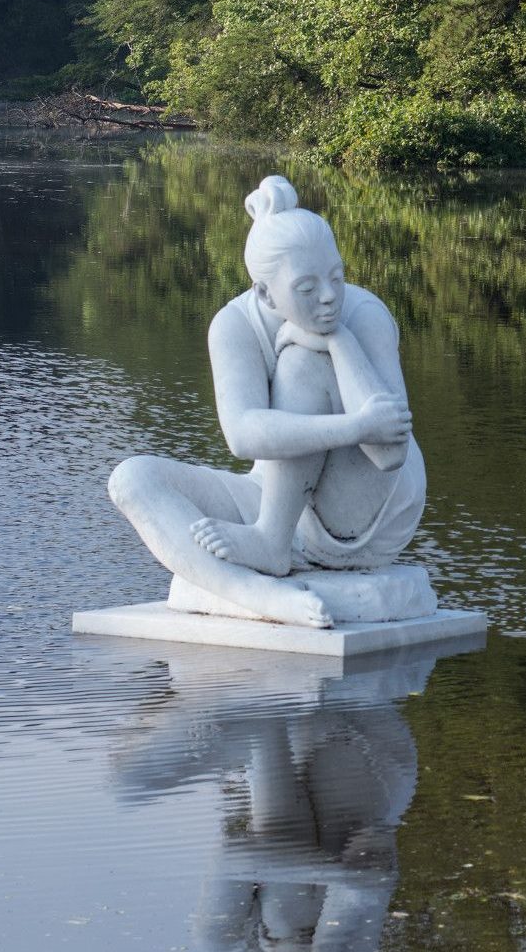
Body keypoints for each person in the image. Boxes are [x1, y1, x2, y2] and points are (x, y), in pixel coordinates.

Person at [108, 175, 425, 628]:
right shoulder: (235, 324)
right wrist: (356, 425)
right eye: (307, 287)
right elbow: (242, 435)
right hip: (278, 502)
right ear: (264, 292)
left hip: (366, 512)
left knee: (301, 360)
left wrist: (338, 341)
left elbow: (389, 452)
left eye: (336, 276)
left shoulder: (364, 315)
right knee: (132, 478)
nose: (330, 296)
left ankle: (270, 543)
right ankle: (255, 591)